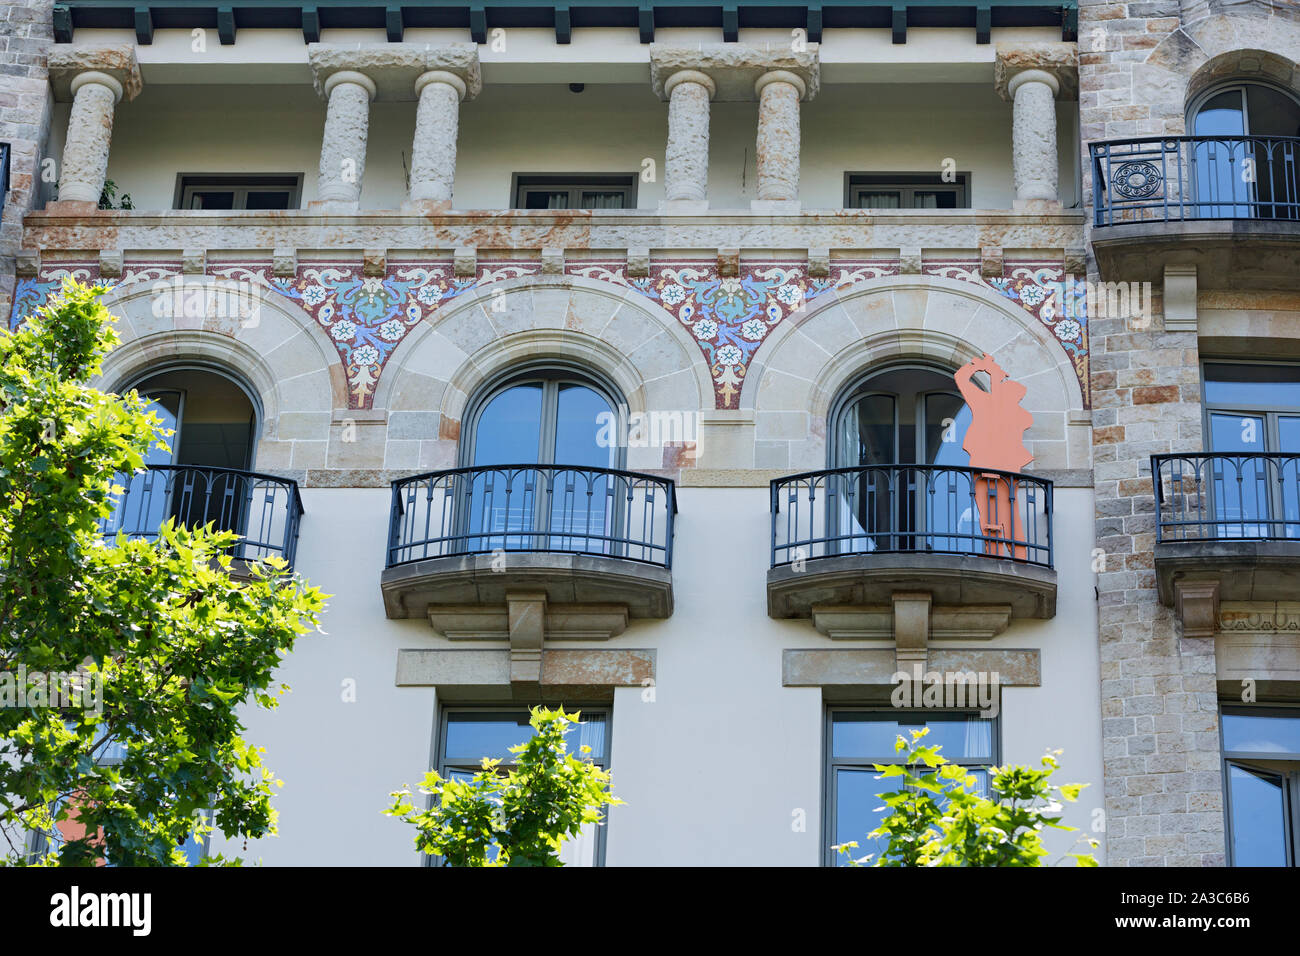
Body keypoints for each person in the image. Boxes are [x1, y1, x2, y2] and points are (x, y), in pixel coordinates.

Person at [953, 353, 1034, 559]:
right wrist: (977, 366)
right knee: (988, 512)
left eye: (1017, 397)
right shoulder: (984, 402)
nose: (1015, 399)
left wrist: (992, 375)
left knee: (1008, 512)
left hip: (1005, 468)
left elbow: (1001, 409)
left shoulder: (1020, 415)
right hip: (983, 464)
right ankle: (995, 552)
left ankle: (1016, 554)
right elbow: (960, 378)